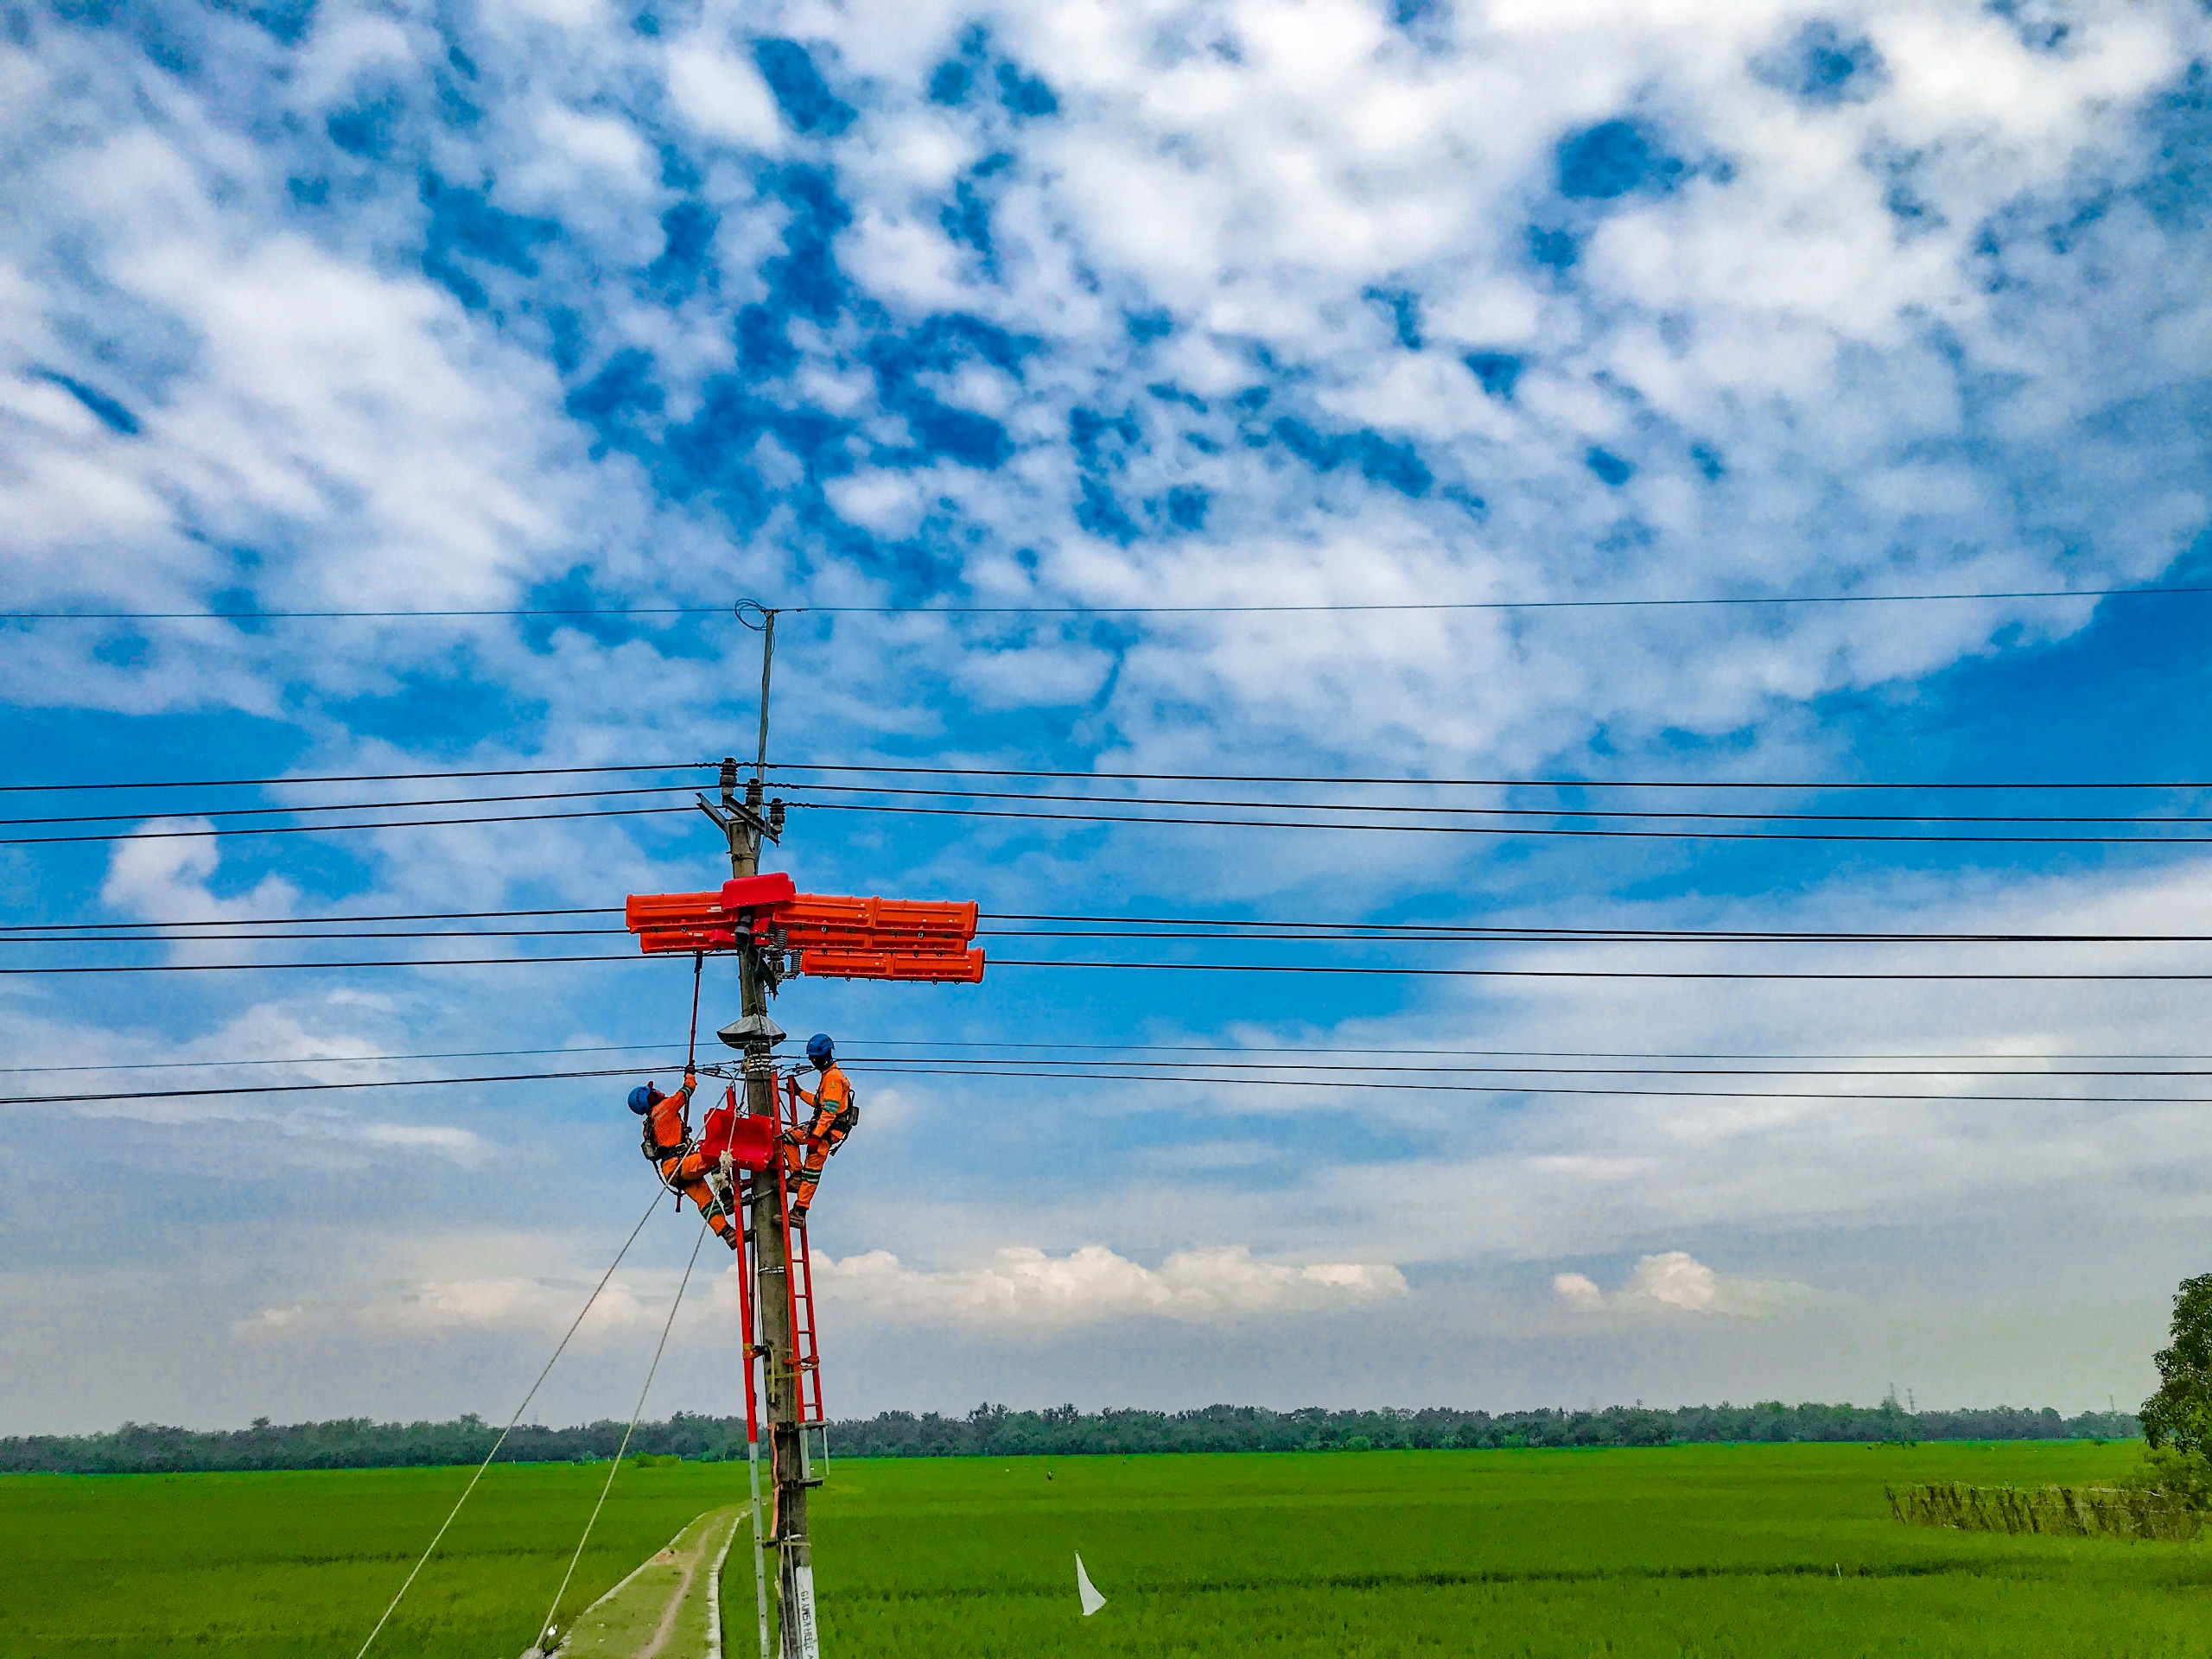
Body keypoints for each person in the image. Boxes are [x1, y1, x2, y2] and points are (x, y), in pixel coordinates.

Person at [629, 1071, 741, 1250]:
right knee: (716, 1155)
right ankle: (728, 1198)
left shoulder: (650, 1123)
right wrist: (690, 1074)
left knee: (705, 1201)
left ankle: (729, 1235)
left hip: (673, 1170)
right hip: (679, 1163)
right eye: (653, 1091)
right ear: (649, 1097)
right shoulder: (666, 1107)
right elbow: (688, 1089)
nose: (657, 1091)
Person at [785, 1033, 858, 1222]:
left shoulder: (833, 1078)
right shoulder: (828, 1076)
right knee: (790, 1139)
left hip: (826, 1132)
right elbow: (819, 1102)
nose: (812, 1062)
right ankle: (796, 1178)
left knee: (812, 1171)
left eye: (814, 1058)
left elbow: (829, 1112)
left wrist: (816, 1136)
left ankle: (799, 1210)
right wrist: (800, 1093)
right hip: (823, 1129)